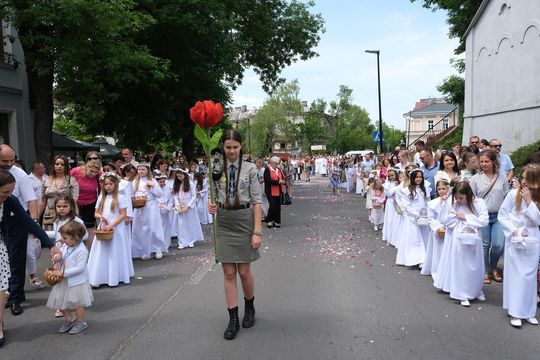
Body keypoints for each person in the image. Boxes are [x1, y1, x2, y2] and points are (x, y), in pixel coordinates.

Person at [208, 129, 262, 340]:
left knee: (244, 272)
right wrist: (211, 205)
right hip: (223, 222)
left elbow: (257, 201)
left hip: (244, 221)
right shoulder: (215, 167)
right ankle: (233, 318)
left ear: (241, 147)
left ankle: (250, 306)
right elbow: (211, 194)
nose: (231, 151)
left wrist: (257, 231)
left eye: (235, 147)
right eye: (228, 147)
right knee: (229, 273)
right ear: (223, 146)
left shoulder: (250, 169)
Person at [0, 169, 56, 344]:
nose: (9, 195)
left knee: (1, 288)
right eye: (4, 192)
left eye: (11, 191)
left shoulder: (10, 201)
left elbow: (27, 221)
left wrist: (51, 244)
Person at [0, 145, 41, 316]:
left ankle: (15, 298)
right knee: (4, 260)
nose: (10, 164)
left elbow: (31, 200)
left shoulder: (20, 175)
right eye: (5, 161)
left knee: (15, 259)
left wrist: (34, 222)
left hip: (17, 219)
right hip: (2, 220)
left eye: (12, 160)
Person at [434, 180, 489, 307]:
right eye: (457, 197)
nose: (459, 200)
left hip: (474, 237)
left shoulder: (479, 203)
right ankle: (461, 293)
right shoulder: (454, 204)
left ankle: (475, 289)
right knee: (460, 265)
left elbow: (484, 221)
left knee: (475, 265)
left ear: (468, 195)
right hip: (458, 238)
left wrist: (466, 217)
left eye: (461, 197)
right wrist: (455, 217)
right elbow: (446, 220)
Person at [498, 165, 540, 327]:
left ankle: (529, 312)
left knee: (529, 276)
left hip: (533, 239)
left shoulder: (536, 197)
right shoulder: (511, 195)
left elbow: (538, 220)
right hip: (515, 238)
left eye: (527, 179)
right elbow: (503, 216)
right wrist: (514, 230)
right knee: (516, 275)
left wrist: (529, 201)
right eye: (522, 178)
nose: (523, 182)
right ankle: (515, 311)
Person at [470, 150, 509, 284]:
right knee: (485, 245)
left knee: (498, 244)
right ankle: (485, 271)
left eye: (487, 161)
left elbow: (506, 196)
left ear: (493, 162)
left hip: (499, 215)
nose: (484, 164)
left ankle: (493, 267)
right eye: (481, 162)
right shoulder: (475, 178)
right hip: (483, 216)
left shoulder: (502, 177)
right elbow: (472, 198)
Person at [47, 221, 93, 335]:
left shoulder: (82, 250)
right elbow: (61, 254)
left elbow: (80, 268)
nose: (62, 239)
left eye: (65, 238)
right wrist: (57, 257)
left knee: (76, 303)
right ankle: (69, 319)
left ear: (75, 238)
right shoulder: (66, 245)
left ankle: (81, 322)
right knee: (59, 300)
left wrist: (63, 273)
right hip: (63, 280)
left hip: (76, 281)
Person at [89, 172, 133, 287]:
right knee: (102, 251)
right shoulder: (101, 198)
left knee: (115, 251)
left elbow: (123, 214)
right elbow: (96, 213)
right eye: (106, 184)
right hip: (104, 226)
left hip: (116, 226)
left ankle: (116, 276)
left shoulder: (120, 197)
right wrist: (101, 217)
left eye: (110, 184)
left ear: (116, 185)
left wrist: (112, 224)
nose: (108, 186)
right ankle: (99, 277)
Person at [131, 163, 167, 260]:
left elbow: (159, 194)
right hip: (139, 207)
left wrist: (153, 187)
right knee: (141, 229)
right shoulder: (135, 181)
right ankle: (143, 250)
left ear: (147, 170)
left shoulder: (152, 180)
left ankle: (157, 248)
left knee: (153, 227)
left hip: (151, 207)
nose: (141, 171)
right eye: (139, 169)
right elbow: (131, 193)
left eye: (143, 169)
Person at [395, 170, 429, 268]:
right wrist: (417, 213)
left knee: (424, 237)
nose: (418, 179)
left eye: (420, 177)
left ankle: (425, 257)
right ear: (412, 178)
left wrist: (426, 213)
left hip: (424, 216)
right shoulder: (407, 190)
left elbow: (427, 202)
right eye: (416, 177)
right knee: (415, 239)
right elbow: (407, 206)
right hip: (412, 218)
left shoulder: (425, 189)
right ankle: (417, 259)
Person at [41, 155, 80, 231]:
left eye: (62, 164)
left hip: (67, 214)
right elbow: (42, 200)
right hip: (49, 214)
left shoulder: (71, 180)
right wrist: (35, 218)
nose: (59, 166)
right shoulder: (47, 180)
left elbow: (74, 199)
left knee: (67, 236)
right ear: (53, 165)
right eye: (57, 164)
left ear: (66, 166)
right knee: (49, 238)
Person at [421, 180, 450, 279]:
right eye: (439, 189)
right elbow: (431, 218)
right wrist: (438, 227)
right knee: (438, 251)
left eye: (444, 189)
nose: (442, 191)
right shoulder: (433, 203)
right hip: (438, 229)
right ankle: (438, 271)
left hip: (450, 229)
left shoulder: (452, 201)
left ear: (448, 189)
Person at [70, 159, 101, 251]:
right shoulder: (76, 171)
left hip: (90, 203)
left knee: (90, 229)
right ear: (86, 168)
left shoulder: (99, 174)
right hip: (75, 203)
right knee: (74, 228)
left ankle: (91, 253)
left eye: (95, 172)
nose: (93, 174)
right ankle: (74, 251)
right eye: (91, 171)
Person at [26, 161, 48, 289]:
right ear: (36, 169)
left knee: (33, 246)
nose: (44, 169)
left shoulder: (46, 177)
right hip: (30, 211)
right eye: (42, 167)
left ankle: (33, 275)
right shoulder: (28, 179)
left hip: (43, 210)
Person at [172, 169, 203, 249]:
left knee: (190, 223)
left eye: (180, 176)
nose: (179, 178)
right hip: (180, 205)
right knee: (181, 224)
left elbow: (193, 196)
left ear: (185, 175)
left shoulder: (191, 184)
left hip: (189, 206)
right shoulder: (177, 184)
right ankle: (182, 242)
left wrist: (188, 206)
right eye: (178, 177)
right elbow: (175, 195)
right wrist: (178, 205)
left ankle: (191, 240)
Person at [264, 156, 285, 228]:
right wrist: (278, 181)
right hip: (270, 190)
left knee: (277, 206)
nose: (276, 165)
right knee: (272, 205)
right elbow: (267, 180)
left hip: (278, 190)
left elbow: (282, 177)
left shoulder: (278, 170)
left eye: (277, 164)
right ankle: (269, 220)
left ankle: (276, 221)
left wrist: (284, 180)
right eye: (275, 164)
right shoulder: (267, 169)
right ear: (271, 163)